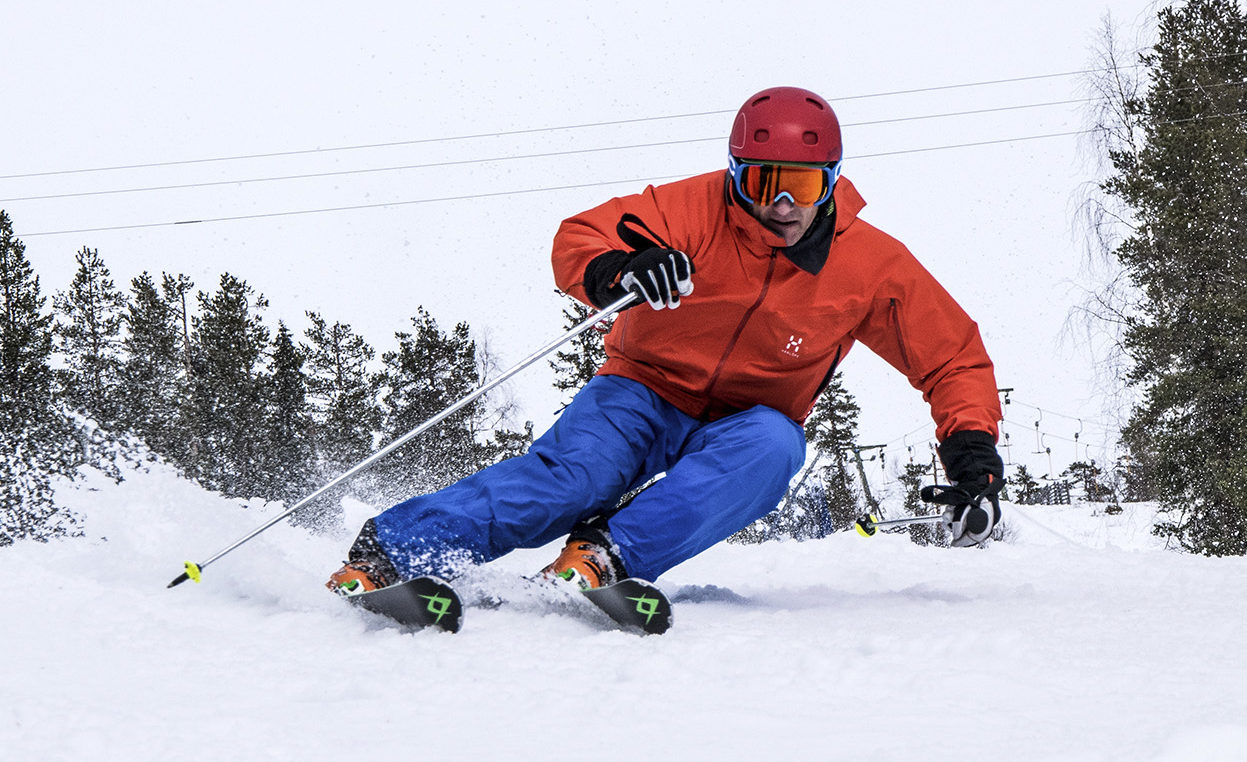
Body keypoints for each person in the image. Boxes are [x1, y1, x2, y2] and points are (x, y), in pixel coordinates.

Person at [327, 86, 1004, 596]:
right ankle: (392, 551)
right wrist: (622, 269)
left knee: (775, 447)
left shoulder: (870, 264)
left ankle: (604, 557)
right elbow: (579, 237)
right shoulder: (693, 208)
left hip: (746, 421)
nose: (782, 207)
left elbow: (952, 356)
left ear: (831, 182)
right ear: (736, 174)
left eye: (800, 186)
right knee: (576, 479)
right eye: (762, 184)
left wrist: (972, 454)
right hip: (640, 390)